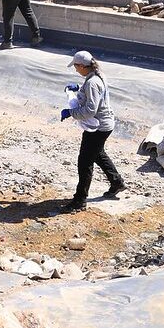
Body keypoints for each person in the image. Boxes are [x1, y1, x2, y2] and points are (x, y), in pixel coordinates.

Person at [59, 50, 125, 213]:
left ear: (82, 66)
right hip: (104, 125)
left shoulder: (92, 83)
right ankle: (116, 182)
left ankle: (80, 200)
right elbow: (91, 94)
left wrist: (71, 112)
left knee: (85, 162)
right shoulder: (96, 75)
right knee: (98, 154)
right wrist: (79, 89)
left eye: (76, 67)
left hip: (97, 126)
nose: (75, 70)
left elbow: (90, 109)